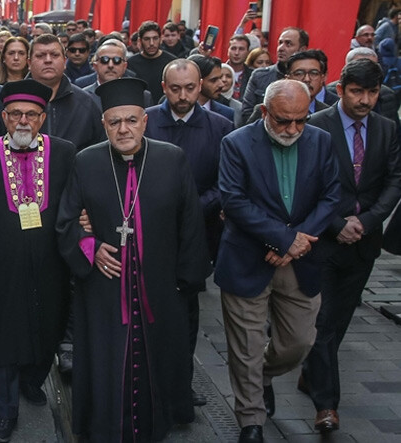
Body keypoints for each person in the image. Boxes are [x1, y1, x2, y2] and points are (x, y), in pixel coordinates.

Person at [56, 77, 210, 441]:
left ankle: (161, 418)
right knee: (107, 356)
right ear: (104, 124)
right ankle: (107, 425)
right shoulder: (86, 161)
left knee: (161, 353)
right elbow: (66, 221)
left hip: (159, 281)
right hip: (105, 288)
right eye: (114, 122)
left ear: (145, 121)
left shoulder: (171, 158)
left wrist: (186, 281)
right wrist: (92, 247)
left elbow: (191, 222)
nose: (123, 129)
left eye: (131, 120)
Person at [216, 79, 341, 443]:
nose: (292, 129)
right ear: (265, 112)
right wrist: (284, 239)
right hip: (247, 259)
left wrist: (294, 243)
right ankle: (250, 420)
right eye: (284, 120)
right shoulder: (236, 143)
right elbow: (234, 201)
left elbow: (331, 196)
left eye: (301, 120)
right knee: (246, 347)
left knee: (298, 342)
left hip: (300, 262)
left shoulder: (320, 141)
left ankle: (263, 377)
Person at [0, 79, 75, 442]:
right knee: (4, 336)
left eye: (31, 114)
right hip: (3, 267)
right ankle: (4, 410)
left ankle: (32, 380)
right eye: (15, 114)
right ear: (4, 117)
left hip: (52, 264)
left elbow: (75, 206)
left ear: (42, 118)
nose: (23, 121)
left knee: (49, 328)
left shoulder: (65, 153)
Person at [302, 59, 401, 433]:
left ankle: (314, 370)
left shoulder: (387, 128)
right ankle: (326, 405)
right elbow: (307, 183)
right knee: (323, 320)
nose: (365, 100)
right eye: (357, 92)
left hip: (364, 241)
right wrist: (337, 224)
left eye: (372, 93)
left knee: (340, 319)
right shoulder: (316, 125)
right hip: (324, 240)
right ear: (340, 89)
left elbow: (395, 179)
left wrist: (369, 220)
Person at [144, 58, 232, 407]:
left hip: (199, 234)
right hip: (149, 231)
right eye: (175, 89)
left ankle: (182, 383)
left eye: (190, 88)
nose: (183, 96)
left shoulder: (221, 126)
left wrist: (194, 207)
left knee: (186, 313)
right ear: (164, 88)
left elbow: (226, 182)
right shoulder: (145, 120)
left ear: (201, 86)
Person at [242, 27, 308, 122]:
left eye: (288, 44)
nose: (281, 48)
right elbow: (247, 114)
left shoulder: (307, 78)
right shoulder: (259, 76)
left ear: (302, 49)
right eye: (280, 43)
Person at [127, 21, 177, 103]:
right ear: (140, 41)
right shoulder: (131, 63)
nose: (151, 43)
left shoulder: (172, 62)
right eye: (147, 39)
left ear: (161, 39)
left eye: (155, 38)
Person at [226, 35, 252, 101]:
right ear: (228, 50)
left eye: (241, 49)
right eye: (233, 48)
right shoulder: (218, 72)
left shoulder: (252, 75)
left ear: (248, 52)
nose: (236, 53)